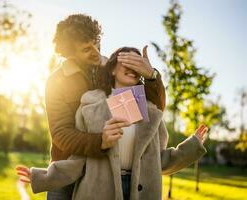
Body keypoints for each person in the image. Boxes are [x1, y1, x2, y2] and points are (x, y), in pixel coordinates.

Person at [16, 47, 208, 200]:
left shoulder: (149, 111)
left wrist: (192, 145)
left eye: (137, 63)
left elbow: (160, 161)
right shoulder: (90, 108)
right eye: (127, 61)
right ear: (113, 67)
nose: (133, 66)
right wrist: (41, 177)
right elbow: (77, 162)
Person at [29, 14, 166, 199]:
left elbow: (152, 109)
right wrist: (100, 141)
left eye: (97, 42)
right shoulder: (57, 81)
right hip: (66, 171)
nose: (96, 51)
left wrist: (151, 76)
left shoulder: (113, 69)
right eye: (87, 49)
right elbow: (61, 133)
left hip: (104, 173)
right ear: (70, 53)